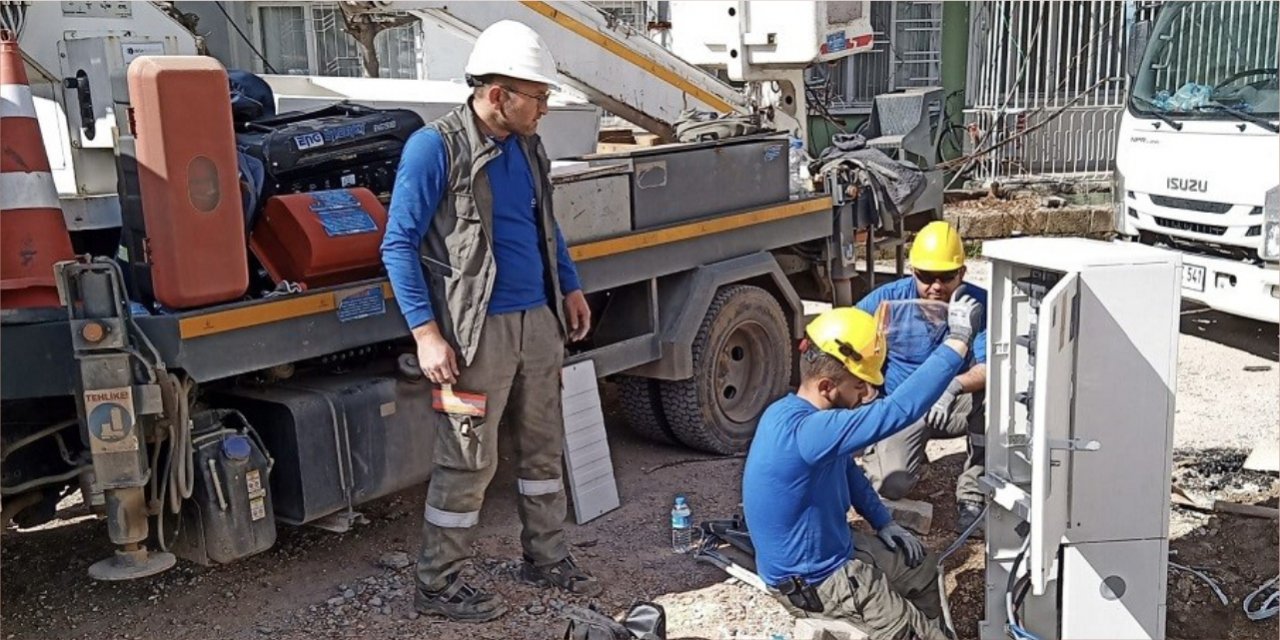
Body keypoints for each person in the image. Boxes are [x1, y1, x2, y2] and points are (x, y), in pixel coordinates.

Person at [380, 20, 599, 623]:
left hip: (538, 324)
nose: (546, 109)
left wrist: (571, 287)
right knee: (467, 459)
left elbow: (545, 227)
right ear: (498, 94)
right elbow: (397, 244)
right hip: (474, 338)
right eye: (539, 96)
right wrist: (426, 333)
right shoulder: (436, 147)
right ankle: (437, 582)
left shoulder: (528, 146)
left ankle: (546, 556)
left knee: (542, 448)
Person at [742, 295, 983, 640]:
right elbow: (899, 411)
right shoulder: (812, 432)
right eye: (859, 385)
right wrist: (957, 341)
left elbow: (847, 471)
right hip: (820, 584)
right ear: (826, 386)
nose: (868, 394)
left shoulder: (790, 413)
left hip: (835, 552)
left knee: (923, 567)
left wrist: (883, 522)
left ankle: (930, 628)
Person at [857, 220, 989, 533]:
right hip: (904, 407)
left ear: (963, 273)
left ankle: (973, 490)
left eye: (946, 277)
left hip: (952, 404)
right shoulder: (888, 301)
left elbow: (992, 367)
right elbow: (845, 341)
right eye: (926, 276)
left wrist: (952, 387)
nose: (936, 287)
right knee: (893, 485)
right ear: (912, 271)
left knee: (998, 401)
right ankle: (892, 454)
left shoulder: (978, 303)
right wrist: (869, 397)